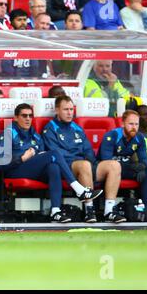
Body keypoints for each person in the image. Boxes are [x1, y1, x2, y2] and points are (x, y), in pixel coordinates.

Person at [0, 103, 103, 222]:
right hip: (15, 170)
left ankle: (55, 211)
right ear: (16, 118)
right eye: (24, 115)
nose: (27, 119)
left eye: (30, 116)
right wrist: (22, 158)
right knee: (54, 153)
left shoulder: (35, 136)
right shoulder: (8, 133)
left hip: (32, 170)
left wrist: (37, 156)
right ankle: (79, 190)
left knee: (53, 166)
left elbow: (42, 155)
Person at [42, 95, 125, 223]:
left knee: (114, 165)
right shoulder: (50, 128)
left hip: (85, 165)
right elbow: (56, 153)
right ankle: (89, 211)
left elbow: (88, 150)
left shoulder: (77, 128)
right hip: (66, 168)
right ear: (57, 110)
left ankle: (109, 211)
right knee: (84, 165)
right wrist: (84, 162)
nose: (70, 113)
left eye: (71, 109)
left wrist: (91, 163)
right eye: (66, 110)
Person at [98, 110, 147, 221]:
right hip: (109, 172)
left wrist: (142, 167)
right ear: (123, 123)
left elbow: (145, 159)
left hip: (126, 169)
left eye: (136, 124)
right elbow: (106, 161)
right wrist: (132, 167)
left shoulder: (139, 138)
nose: (134, 127)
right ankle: (109, 211)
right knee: (114, 167)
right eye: (131, 124)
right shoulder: (112, 135)